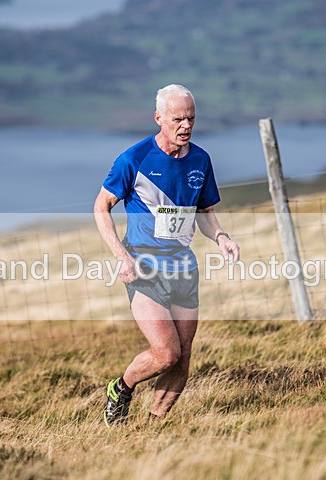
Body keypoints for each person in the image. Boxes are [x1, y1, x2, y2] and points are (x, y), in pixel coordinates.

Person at [93, 84, 240, 426]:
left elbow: (204, 213)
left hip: (184, 268)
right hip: (143, 266)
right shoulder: (135, 158)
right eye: (177, 119)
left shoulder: (201, 160)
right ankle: (121, 388)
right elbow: (101, 207)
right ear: (159, 118)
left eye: (191, 118)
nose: (185, 126)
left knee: (183, 356)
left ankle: (154, 427)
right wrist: (121, 256)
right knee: (166, 352)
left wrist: (221, 237)